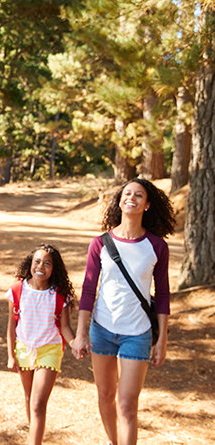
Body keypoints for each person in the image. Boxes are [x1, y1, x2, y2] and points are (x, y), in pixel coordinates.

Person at [72, 178, 176, 445]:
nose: (132, 198)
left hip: (138, 333)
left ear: (147, 204)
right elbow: (88, 290)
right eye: (127, 193)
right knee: (105, 396)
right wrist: (81, 333)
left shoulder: (156, 246)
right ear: (119, 201)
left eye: (139, 195)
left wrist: (162, 339)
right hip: (102, 330)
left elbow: (162, 295)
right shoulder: (100, 243)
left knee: (128, 405)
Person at [7, 244, 76, 445]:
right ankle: (34, 436)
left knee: (38, 403)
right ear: (30, 264)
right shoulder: (17, 290)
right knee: (29, 398)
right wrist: (11, 355)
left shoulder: (60, 295)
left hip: (50, 349)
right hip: (24, 348)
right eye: (37, 261)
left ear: (54, 269)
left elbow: (65, 327)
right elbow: (11, 325)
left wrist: (74, 344)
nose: (41, 266)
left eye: (47, 263)